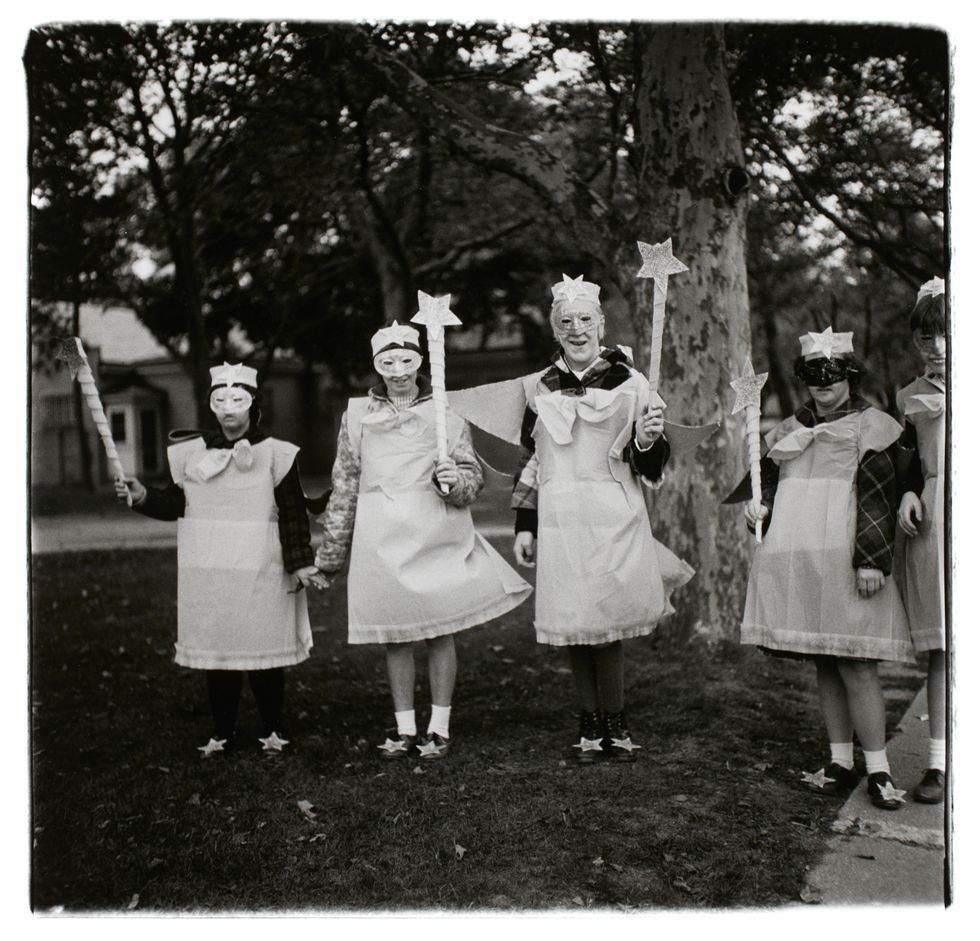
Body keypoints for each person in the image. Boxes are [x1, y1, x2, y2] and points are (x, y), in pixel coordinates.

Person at [315, 321, 532, 760]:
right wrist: (331, 556)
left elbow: (472, 478)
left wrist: (455, 481)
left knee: (438, 629)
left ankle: (439, 726)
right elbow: (345, 486)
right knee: (395, 633)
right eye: (387, 362)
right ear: (376, 364)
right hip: (383, 538)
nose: (398, 370)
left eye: (406, 360)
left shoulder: (446, 414)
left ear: (421, 360)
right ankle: (403, 727)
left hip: (434, 530)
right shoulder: (358, 416)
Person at [511, 274, 694, 763]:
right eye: (566, 322)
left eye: (585, 320)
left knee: (606, 621)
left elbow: (651, 465)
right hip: (560, 518)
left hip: (613, 515)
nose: (576, 329)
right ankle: (588, 722)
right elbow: (532, 460)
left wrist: (649, 439)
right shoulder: (539, 389)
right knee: (574, 619)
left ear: (601, 324)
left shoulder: (633, 385)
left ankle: (615, 720)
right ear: (554, 330)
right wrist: (524, 525)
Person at [740, 328, 913, 810]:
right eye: (812, 374)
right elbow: (768, 486)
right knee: (826, 660)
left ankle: (878, 768)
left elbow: (879, 497)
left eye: (832, 373)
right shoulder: (786, 431)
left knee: (856, 662)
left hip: (847, 556)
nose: (822, 383)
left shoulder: (871, 425)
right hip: (802, 558)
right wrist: (760, 508)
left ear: (850, 375)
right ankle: (840, 760)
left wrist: (872, 559)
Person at [115, 362, 326, 756]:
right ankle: (223, 730)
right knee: (220, 650)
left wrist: (299, 561)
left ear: (252, 404)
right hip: (210, 570)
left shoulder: (277, 455)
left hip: (262, 567)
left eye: (238, 399)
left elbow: (294, 513)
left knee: (264, 651)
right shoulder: (190, 457)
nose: (229, 408)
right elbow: (174, 502)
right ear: (211, 405)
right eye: (220, 400)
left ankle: (273, 728)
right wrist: (142, 494)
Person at [895, 277, 947, 804]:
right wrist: (911, 494)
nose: (935, 346)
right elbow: (906, 463)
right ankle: (938, 763)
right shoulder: (908, 396)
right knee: (944, 648)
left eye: (945, 335)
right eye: (925, 338)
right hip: (936, 521)